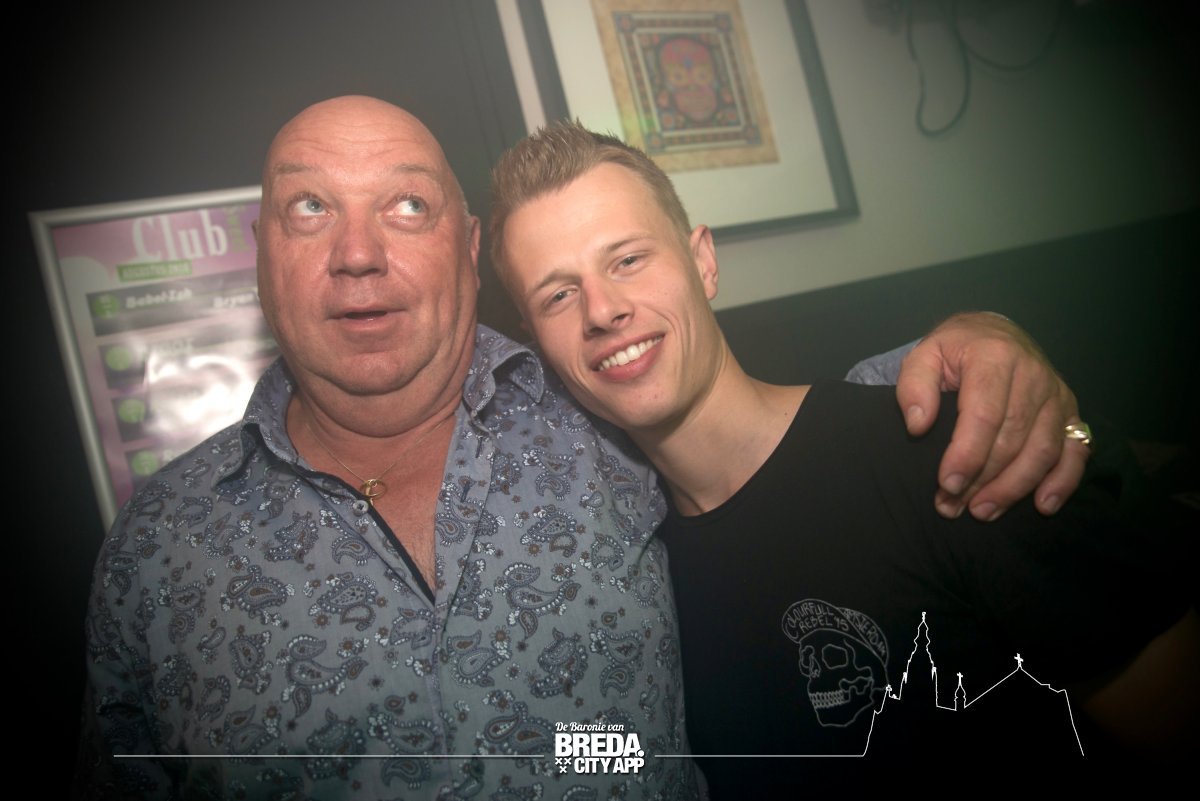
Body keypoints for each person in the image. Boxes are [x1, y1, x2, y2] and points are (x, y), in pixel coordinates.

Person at [81, 96, 1086, 800]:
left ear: (468, 248)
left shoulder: (592, 415)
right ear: (262, 250)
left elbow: (787, 450)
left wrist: (975, 352)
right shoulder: (156, 552)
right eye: (311, 207)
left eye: (406, 205)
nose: (357, 253)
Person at [488, 121, 1198, 794]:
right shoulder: (631, 578)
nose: (602, 310)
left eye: (629, 259)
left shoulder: (942, 453)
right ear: (536, 342)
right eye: (559, 294)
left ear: (703, 261)